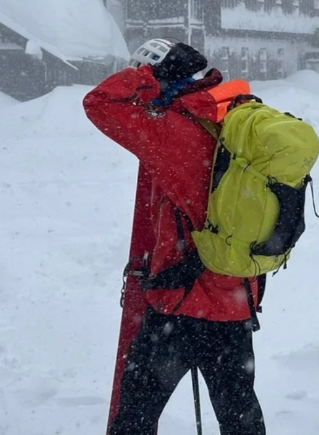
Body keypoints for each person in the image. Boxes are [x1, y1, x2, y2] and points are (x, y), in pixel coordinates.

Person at [83, 38, 265, 435]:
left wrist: (145, 76)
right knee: (240, 418)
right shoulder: (240, 121)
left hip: (180, 304)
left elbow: (99, 103)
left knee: (135, 416)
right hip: (235, 300)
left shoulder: (174, 132)